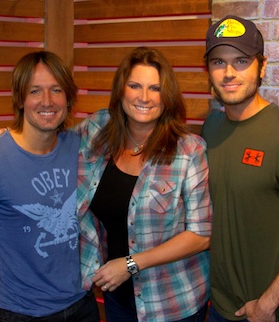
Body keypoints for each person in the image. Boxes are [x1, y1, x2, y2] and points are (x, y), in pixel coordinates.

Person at [0, 51, 99, 322]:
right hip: (21, 314)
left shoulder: (81, 148)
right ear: (20, 98)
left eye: (56, 90)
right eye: (35, 91)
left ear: (68, 98)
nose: (47, 101)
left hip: (83, 306)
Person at [73, 46, 212, 322]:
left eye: (155, 88)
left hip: (173, 302)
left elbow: (202, 235)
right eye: (135, 85)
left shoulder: (188, 151)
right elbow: (50, 142)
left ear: (167, 96)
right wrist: (12, 135)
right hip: (117, 297)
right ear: (121, 90)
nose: (144, 97)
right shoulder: (97, 130)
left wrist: (130, 264)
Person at [201, 15, 279, 322]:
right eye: (218, 62)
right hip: (218, 307)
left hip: (264, 313)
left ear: (262, 67)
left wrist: (268, 303)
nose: (228, 73)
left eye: (241, 61)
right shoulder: (210, 128)